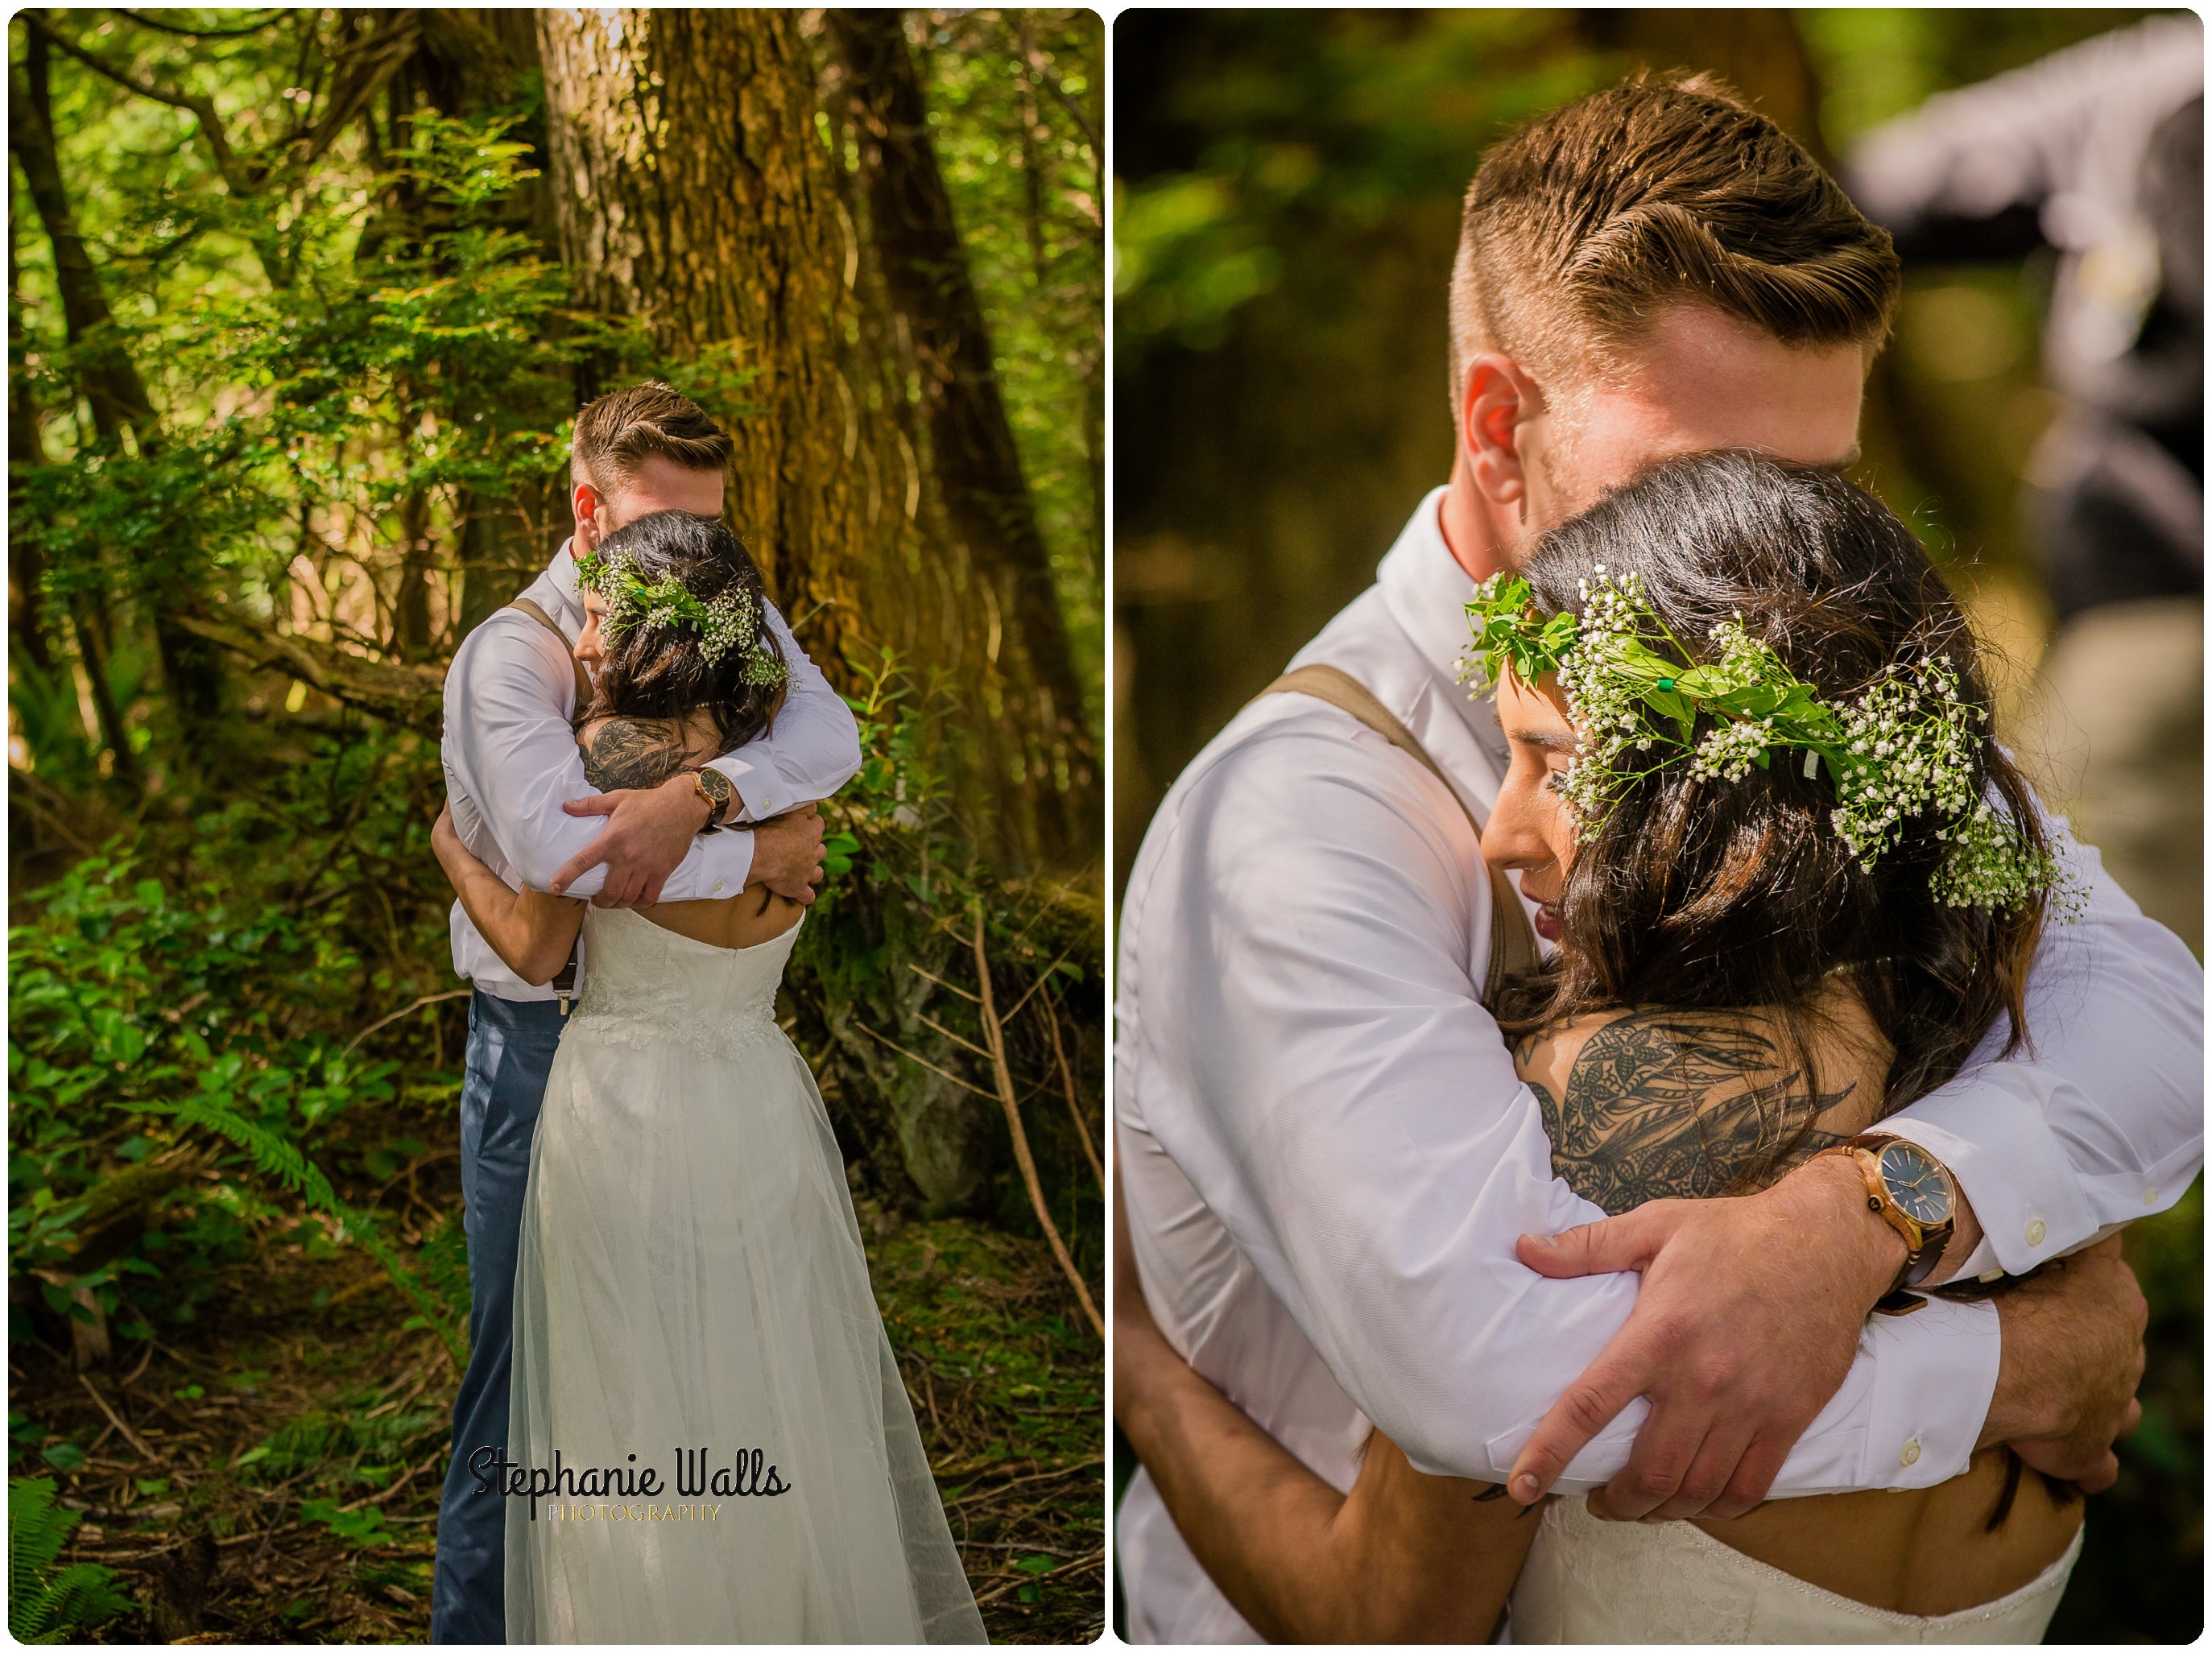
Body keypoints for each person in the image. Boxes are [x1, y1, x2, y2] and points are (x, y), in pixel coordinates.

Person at [1113, 73, 2201, 1644]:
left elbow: (2153, 1023)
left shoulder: (1805, 682)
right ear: (1498, 429)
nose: (1775, 573)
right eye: (1695, 486)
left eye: (1814, 492)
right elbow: (1495, 1377)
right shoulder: (1286, 824)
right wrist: (2009, 1365)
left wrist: (1870, 1213)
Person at [432, 509, 986, 1643]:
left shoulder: (608, 761)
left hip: (620, 1115)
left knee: (627, 1419)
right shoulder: (777, 772)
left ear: (642, 627)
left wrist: (452, 846)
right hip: (754, 1098)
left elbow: (536, 949)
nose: (581, 643)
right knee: (773, 1391)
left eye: (595, 617)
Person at [1846, 13, 2203, 948]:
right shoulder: (2145, 80)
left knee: (2100, 931)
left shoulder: (2170, 90)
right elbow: (1890, 182)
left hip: (2160, 592)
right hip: (2141, 584)